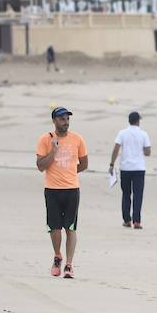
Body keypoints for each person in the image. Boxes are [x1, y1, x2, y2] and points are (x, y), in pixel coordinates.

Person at [35, 107, 87, 278]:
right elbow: (41, 166)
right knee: (54, 228)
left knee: (70, 227)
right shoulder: (45, 139)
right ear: (54, 121)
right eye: (62, 119)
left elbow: (84, 164)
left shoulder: (77, 139)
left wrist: (69, 173)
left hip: (72, 190)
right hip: (52, 190)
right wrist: (53, 151)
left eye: (67, 119)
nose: (66, 122)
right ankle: (58, 256)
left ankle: (69, 265)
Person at [109, 111, 152, 229]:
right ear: (138, 121)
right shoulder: (143, 134)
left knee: (126, 194)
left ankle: (127, 220)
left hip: (125, 168)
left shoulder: (122, 133)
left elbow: (116, 149)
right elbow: (148, 152)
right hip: (139, 168)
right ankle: (137, 221)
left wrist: (112, 164)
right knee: (138, 195)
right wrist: (140, 150)